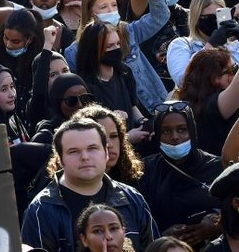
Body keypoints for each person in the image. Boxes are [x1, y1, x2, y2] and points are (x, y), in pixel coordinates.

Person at [22, 118, 159, 252]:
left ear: (106, 152)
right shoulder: (41, 210)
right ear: (61, 158)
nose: (85, 157)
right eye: (74, 151)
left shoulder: (132, 199)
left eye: (92, 148)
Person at [137, 102, 221, 245]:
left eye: (182, 130)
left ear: (192, 131)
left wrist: (218, 223)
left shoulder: (217, 167)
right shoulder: (145, 170)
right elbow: (138, 221)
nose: (175, 137)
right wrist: (160, 238)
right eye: (166, 131)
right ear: (157, 135)